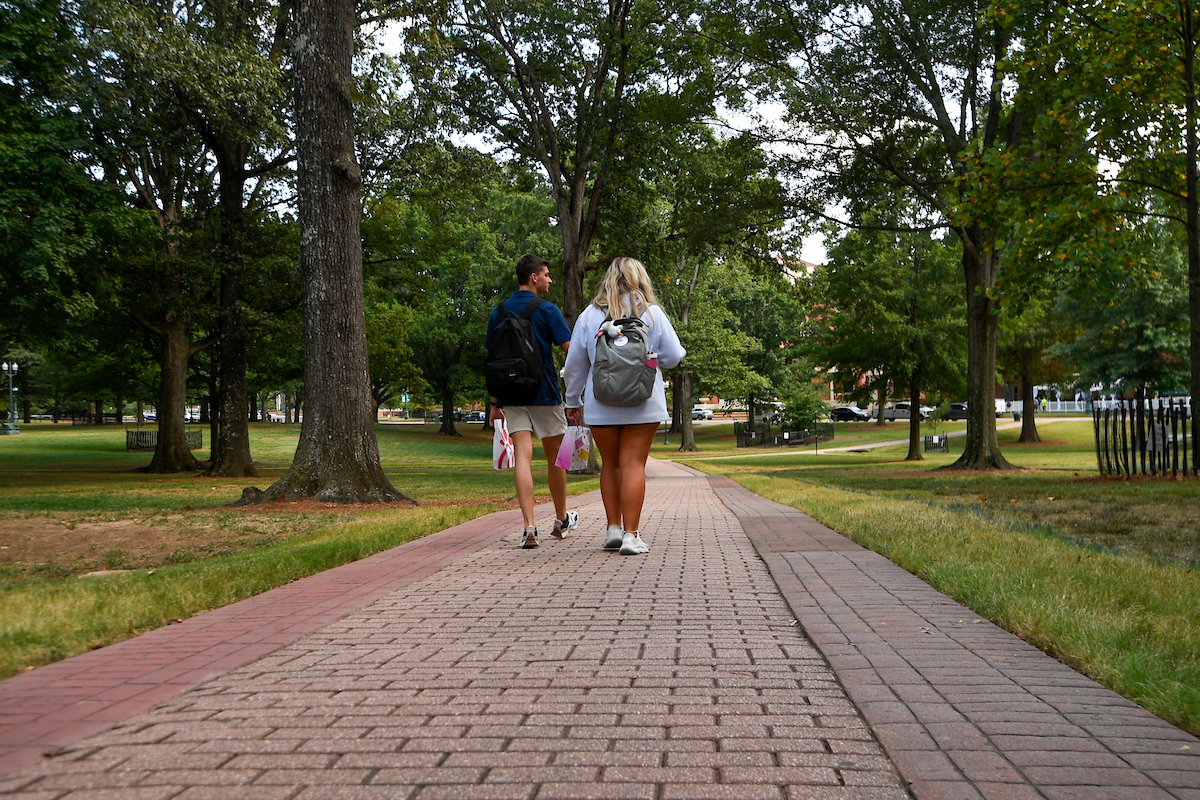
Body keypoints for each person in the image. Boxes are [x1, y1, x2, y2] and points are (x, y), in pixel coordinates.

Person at [562, 257, 686, 556]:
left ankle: (613, 530)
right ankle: (632, 536)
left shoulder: (590, 315)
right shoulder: (652, 314)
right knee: (633, 465)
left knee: (611, 464)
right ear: (640, 278)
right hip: (644, 402)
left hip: (600, 402)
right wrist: (651, 357)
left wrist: (572, 401)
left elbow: (575, 365)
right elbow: (674, 356)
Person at [487, 255, 580, 549]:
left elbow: (492, 359)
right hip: (545, 394)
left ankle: (529, 526)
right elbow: (571, 350)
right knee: (559, 458)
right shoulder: (548, 310)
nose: (550, 280)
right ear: (533, 278)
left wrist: (493, 403)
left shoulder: (498, 312)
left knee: (522, 457)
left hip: (511, 396)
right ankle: (561, 518)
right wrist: (578, 388)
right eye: (546, 275)